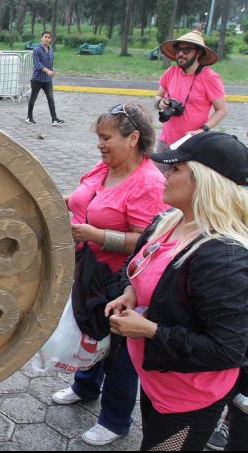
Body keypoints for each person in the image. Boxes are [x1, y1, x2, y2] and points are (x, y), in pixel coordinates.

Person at [106, 131, 248, 451]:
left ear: (204, 181)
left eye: (176, 169)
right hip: (159, 380)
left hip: (189, 397)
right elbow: (135, 271)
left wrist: (151, 330)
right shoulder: (167, 223)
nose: (165, 176)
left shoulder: (223, 257)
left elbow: (228, 350)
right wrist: (129, 291)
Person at [51, 103, 168, 446]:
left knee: (119, 350)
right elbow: (82, 198)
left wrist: (98, 236)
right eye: (98, 138)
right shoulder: (105, 167)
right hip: (89, 269)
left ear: (133, 138)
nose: (99, 144)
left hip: (123, 281)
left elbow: (149, 242)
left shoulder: (148, 183)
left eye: (106, 138)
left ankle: (116, 420)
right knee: (92, 331)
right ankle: (85, 387)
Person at [154, 30, 228, 158]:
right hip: (165, 141)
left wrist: (202, 130)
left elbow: (222, 110)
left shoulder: (210, 77)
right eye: (178, 50)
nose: (180, 54)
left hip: (192, 144)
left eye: (186, 50)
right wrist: (160, 103)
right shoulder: (171, 72)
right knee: (160, 178)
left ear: (198, 52)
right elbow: (158, 96)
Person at [25, 31, 65, 127]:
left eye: (48, 37)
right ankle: (29, 117)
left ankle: (54, 119)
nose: (47, 39)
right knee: (33, 98)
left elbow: (51, 63)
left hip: (47, 80)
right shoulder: (37, 50)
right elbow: (38, 65)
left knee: (51, 98)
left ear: (50, 39)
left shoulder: (51, 50)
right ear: (41, 38)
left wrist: (52, 71)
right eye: (45, 37)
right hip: (37, 79)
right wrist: (48, 71)